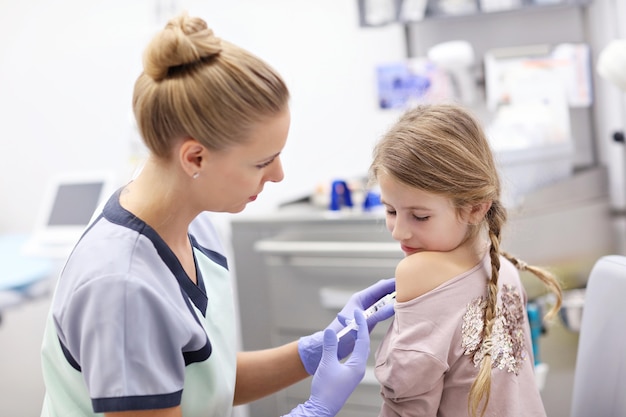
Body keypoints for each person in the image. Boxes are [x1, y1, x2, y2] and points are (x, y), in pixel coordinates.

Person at [39, 13, 395, 417]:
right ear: (196, 157)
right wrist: (312, 411)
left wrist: (316, 349)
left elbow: (203, 377)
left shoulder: (194, 221)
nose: (279, 176)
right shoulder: (123, 289)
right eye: (263, 162)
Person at [368, 103, 563, 417]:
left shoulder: (418, 272)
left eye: (419, 216)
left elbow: (407, 408)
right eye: (390, 211)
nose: (399, 232)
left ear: (475, 208)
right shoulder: (506, 268)